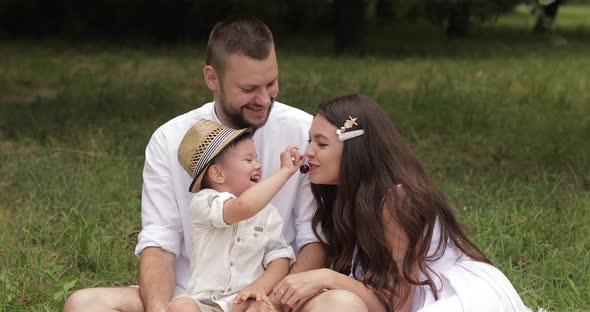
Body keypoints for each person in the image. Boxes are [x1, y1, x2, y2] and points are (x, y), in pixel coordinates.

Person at [64, 16, 325, 312]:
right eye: (250, 88)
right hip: (190, 296)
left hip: (273, 295)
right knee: (84, 304)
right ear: (212, 78)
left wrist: (273, 302)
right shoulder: (171, 139)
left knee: (340, 304)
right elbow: (160, 242)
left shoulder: (306, 133)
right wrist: (160, 309)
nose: (265, 99)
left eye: (272, 83)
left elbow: (314, 239)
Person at [271, 95, 528, 312]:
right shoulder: (341, 198)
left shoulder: (396, 201)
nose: (309, 152)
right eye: (310, 140)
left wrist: (326, 277)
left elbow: (396, 304)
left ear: (355, 150)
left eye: (322, 143)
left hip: (452, 297)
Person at [168, 119, 304, 312]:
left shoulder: (268, 213)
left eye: (257, 159)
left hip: (245, 302)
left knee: (263, 308)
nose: (258, 165)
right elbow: (243, 207)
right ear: (218, 174)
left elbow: (279, 259)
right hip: (207, 304)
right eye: (248, 160)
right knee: (181, 306)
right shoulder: (205, 203)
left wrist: (260, 287)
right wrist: (284, 172)